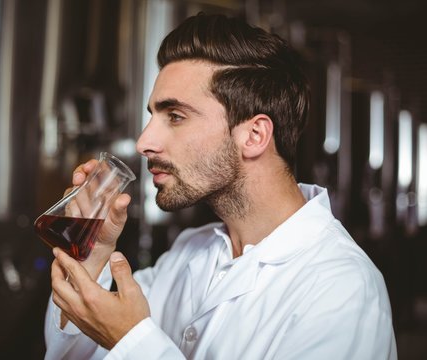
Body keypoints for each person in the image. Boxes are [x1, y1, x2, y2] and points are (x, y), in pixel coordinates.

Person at [43, 13, 397, 359]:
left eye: (176, 116)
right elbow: (78, 354)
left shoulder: (343, 289)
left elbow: (126, 341)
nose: (144, 141)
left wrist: (133, 340)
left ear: (254, 135)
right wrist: (91, 258)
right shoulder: (189, 251)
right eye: (153, 116)